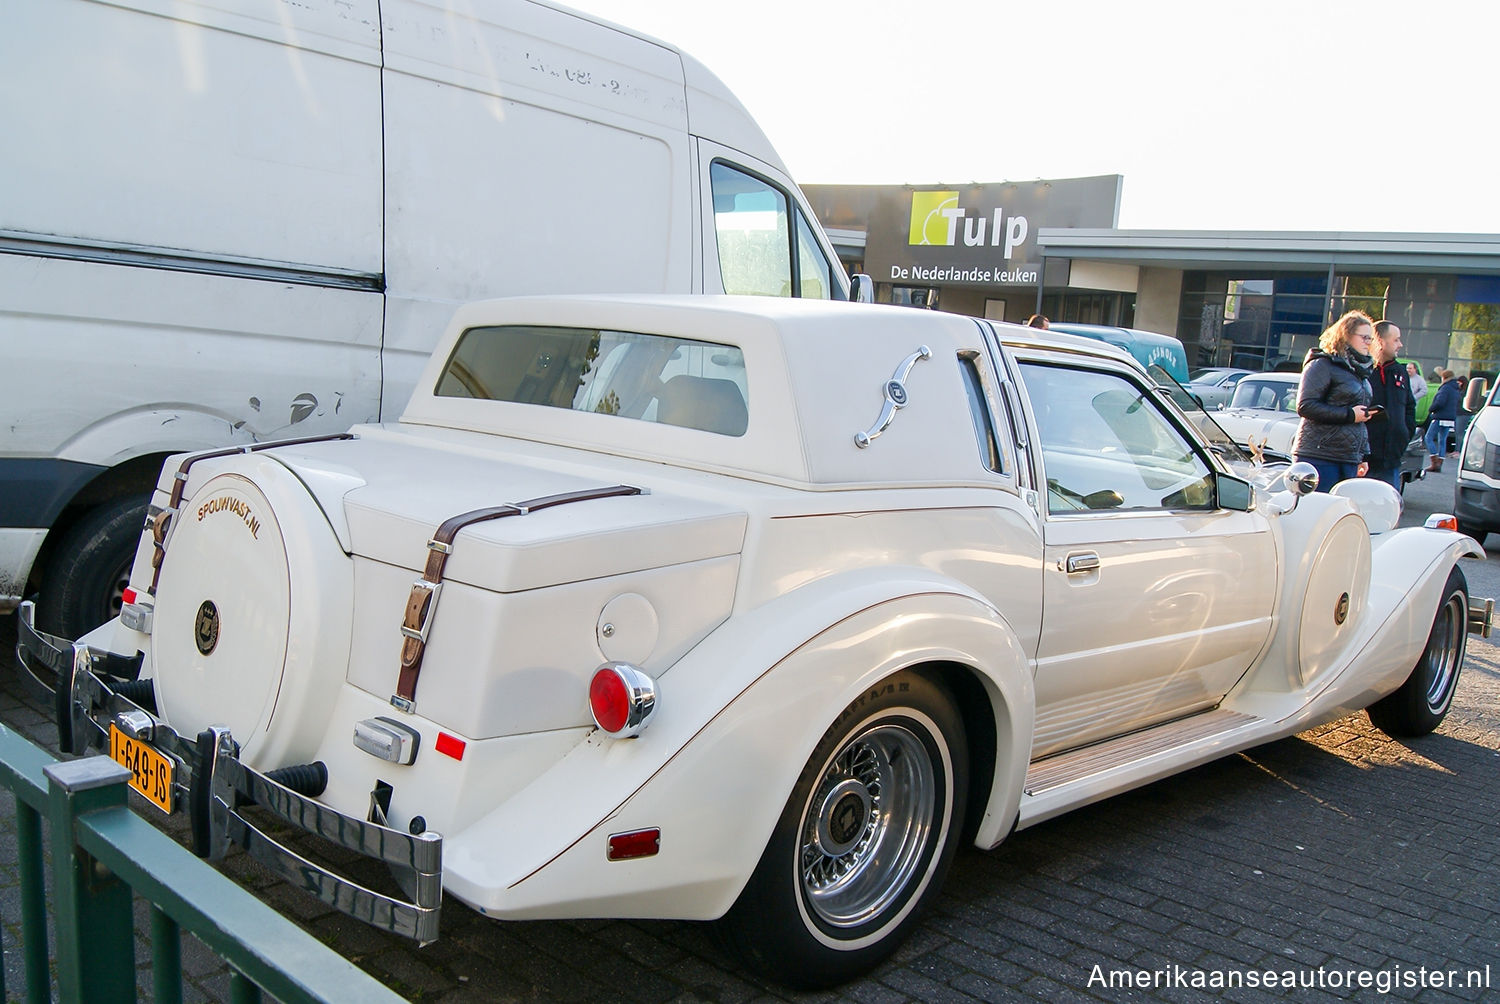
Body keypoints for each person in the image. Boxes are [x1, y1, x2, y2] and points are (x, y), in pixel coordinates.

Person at [1292, 310, 1376, 490]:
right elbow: (1305, 406)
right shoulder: (1322, 364)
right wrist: (1349, 415)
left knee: (1342, 514)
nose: (1368, 343)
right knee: (1317, 511)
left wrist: (1362, 455)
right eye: (1364, 337)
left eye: (1370, 339)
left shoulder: (1361, 371)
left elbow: (1359, 421)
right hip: (1319, 455)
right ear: (1346, 335)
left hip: (1348, 458)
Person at [1362, 321, 1415, 490]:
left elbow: (1409, 407)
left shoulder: (1400, 372)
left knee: (1387, 509)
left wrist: (1403, 435)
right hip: (1364, 460)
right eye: (1396, 340)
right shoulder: (1363, 371)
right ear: (1380, 341)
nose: (1400, 345)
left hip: (1391, 460)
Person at [1425, 370, 1461, 471]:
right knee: (1442, 440)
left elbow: (1440, 402)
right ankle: (1440, 463)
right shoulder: (1455, 389)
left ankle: (1434, 461)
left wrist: (1431, 409)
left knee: (1428, 438)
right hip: (1450, 417)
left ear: (1444, 378)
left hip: (1440, 416)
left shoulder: (1445, 388)